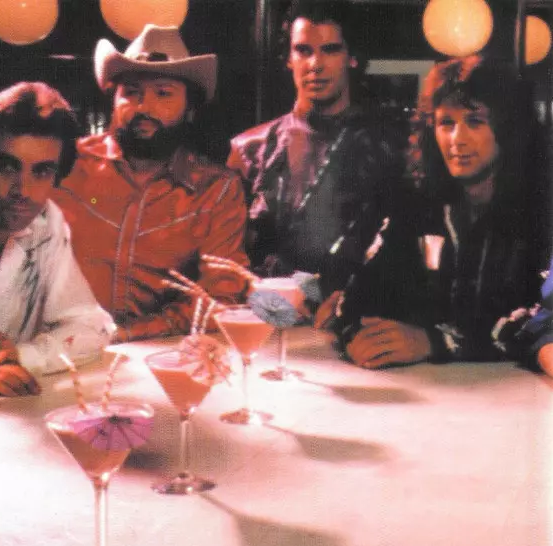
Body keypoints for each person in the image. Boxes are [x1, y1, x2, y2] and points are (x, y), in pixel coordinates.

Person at [337, 54, 550, 368]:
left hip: (517, 390)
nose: (457, 139)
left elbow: (539, 323)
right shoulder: (417, 207)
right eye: (446, 123)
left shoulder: (540, 211)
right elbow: (356, 297)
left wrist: (438, 342)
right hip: (430, 390)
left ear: (508, 128)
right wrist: (361, 334)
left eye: (474, 121)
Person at [55, 25, 249, 341]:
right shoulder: (67, 164)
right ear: (113, 99)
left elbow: (220, 296)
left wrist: (130, 333)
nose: (144, 107)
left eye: (163, 94)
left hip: (157, 352)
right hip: (58, 345)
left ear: (190, 108)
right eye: (131, 92)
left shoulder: (216, 189)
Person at [226, 0, 405, 315]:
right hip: (264, 319)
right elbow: (225, 260)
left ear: (351, 57)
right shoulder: (249, 149)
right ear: (289, 58)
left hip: (357, 319)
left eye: (330, 50)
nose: (315, 65)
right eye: (303, 50)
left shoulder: (390, 147)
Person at [0, 82, 116, 397]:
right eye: (6, 167)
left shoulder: (45, 224)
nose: (23, 191)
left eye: (41, 172)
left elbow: (90, 327)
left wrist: (19, 356)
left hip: (7, 415)